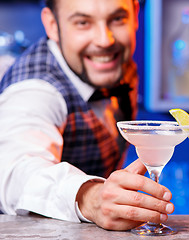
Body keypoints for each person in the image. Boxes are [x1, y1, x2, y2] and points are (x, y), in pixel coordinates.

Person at [0, 0, 174, 231]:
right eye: (83, 22)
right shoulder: (36, 89)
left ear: (135, 13)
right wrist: (89, 198)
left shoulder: (117, 65)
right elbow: (15, 171)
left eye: (117, 19)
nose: (105, 40)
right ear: (52, 24)